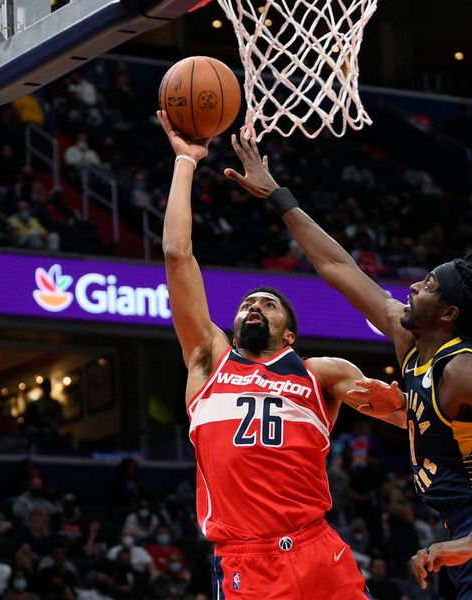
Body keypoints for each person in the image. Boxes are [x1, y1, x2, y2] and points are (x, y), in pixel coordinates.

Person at [225, 132, 472, 599]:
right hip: (466, 533)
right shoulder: (410, 341)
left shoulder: (463, 367)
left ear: (448, 314)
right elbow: (338, 267)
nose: (414, 288)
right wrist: (278, 197)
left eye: (429, 286)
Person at [156, 111, 406, 600]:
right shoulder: (209, 360)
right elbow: (177, 255)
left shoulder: (321, 373)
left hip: (319, 551)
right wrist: (186, 162)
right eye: (247, 304)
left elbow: (403, 419)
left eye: (268, 305)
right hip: (248, 560)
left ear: (289, 334)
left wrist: (398, 406)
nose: (254, 307)